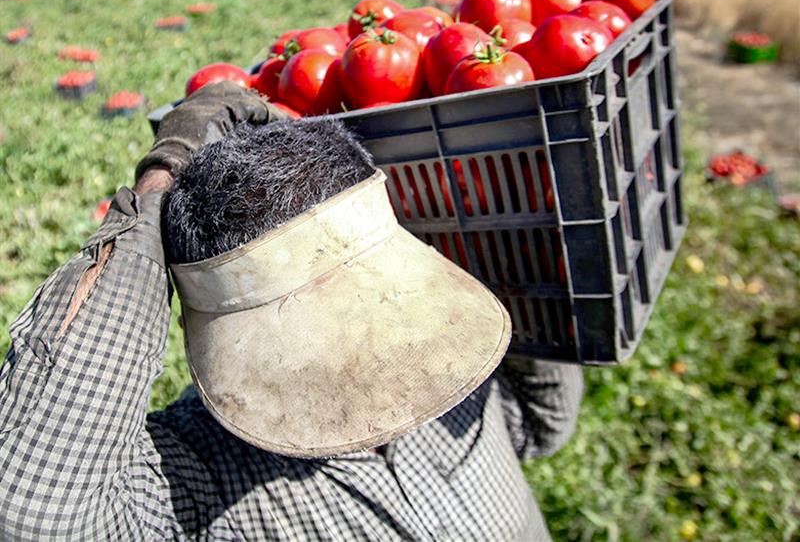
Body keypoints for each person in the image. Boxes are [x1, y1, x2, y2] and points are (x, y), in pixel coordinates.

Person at [0, 82, 583, 541]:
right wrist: (159, 186)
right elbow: (34, 510)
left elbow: (539, 424)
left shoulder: (450, 351)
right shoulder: (197, 478)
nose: (354, 345)